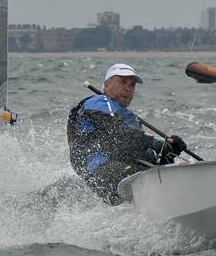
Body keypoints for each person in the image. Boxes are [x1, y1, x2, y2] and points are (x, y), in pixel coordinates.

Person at [67, 63, 187, 204]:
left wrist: (169, 152)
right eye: (123, 82)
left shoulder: (129, 118)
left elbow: (141, 152)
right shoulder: (98, 103)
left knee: (157, 170)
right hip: (100, 171)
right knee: (148, 175)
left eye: (132, 85)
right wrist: (158, 144)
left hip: (120, 170)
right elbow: (118, 134)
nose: (128, 89)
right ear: (107, 85)